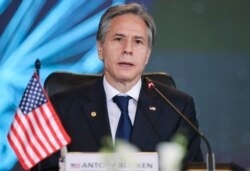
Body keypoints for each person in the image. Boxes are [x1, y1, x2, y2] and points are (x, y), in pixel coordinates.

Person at [31, 2, 203, 170]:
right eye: (118, 39)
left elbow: (193, 168)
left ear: (147, 55)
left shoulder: (177, 110)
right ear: (100, 48)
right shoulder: (63, 108)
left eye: (138, 42)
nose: (128, 49)